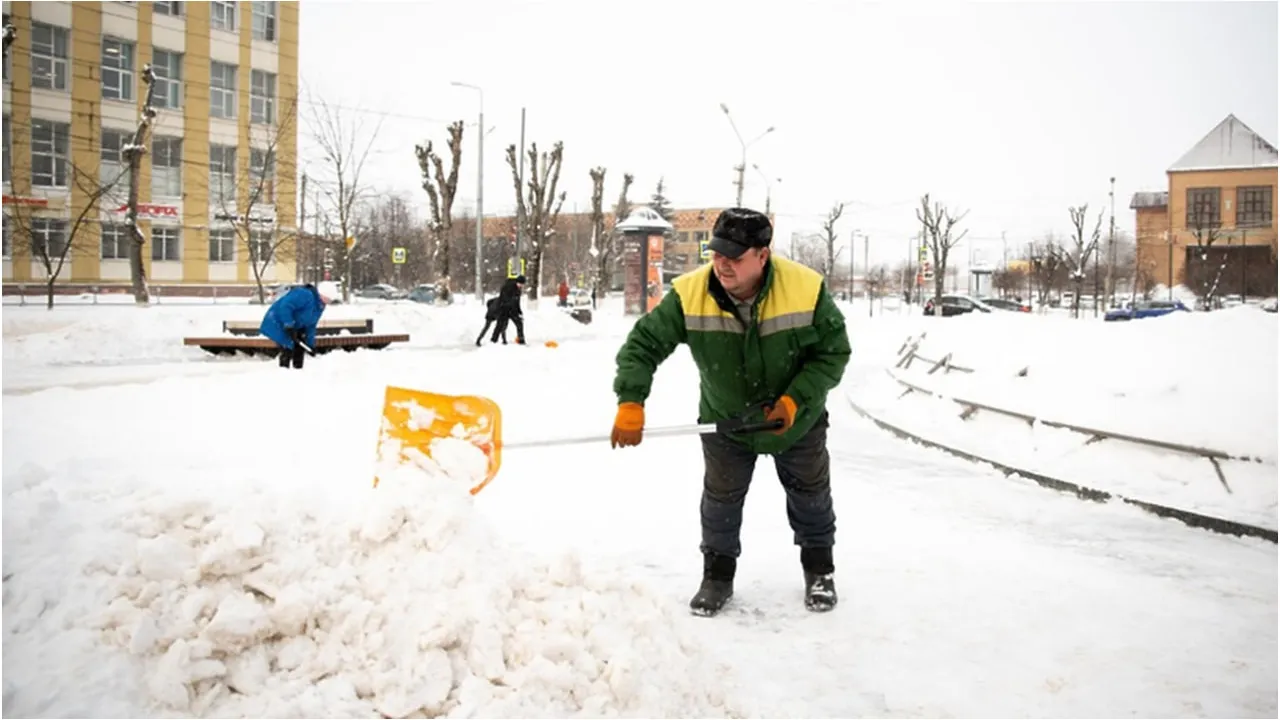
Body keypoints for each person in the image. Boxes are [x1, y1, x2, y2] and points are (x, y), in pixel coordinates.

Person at [610, 207, 852, 616]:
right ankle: (717, 577)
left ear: (762, 254)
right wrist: (631, 400)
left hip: (796, 420)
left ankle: (819, 571)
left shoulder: (805, 288)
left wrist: (795, 400)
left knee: (810, 495)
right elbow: (643, 345)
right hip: (726, 420)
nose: (722, 264)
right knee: (721, 500)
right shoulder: (690, 293)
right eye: (717, 253)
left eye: (735, 256)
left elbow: (833, 353)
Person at [259, 283, 333, 369]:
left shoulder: (320, 306)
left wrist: (310, 344)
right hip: (279, 321)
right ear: (322, 294)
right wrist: (288, 324)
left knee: (299, 348)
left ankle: (298, 373)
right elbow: (285, 305)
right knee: (288, 348)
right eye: (328, 298)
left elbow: (311, 326)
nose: (329, 302)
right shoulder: (305, 294)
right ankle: (283, 375)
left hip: (295, 326)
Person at [492, 274, 527, 345]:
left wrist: (519, 311)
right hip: (503, 309)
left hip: (512, 311)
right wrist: (508, 305)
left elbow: (517, 301)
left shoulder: (518, 289)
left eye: (522, 285)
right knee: (500, 325)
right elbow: (504, 299)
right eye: (520, 284)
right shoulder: (507, 286)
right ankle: (494, 340)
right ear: (517, 282)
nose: (521, 286)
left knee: (519, 324)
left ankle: (521, 340)